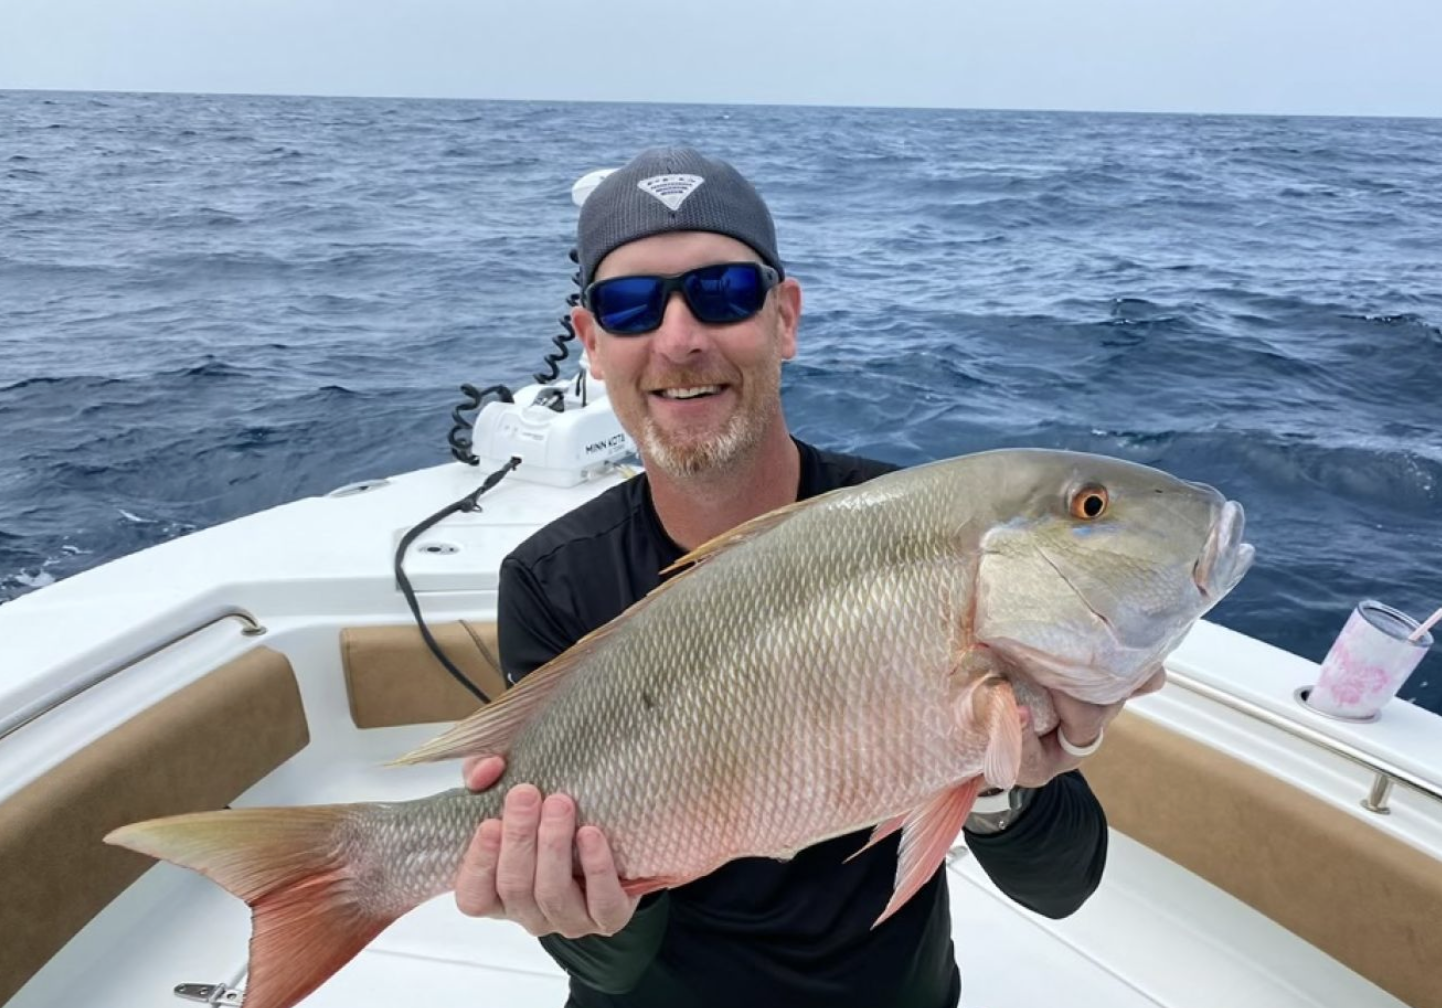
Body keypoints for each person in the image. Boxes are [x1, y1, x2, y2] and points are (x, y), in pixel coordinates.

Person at [454, 146, 1161, 1008]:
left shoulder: (917, 529)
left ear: (784, 318)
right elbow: (611, 968)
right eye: (632, 305)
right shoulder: (551, 579)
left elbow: (1061, 886)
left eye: (724, 293)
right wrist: (572, 906)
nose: (680, 338)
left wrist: (999, 779)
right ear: (593, 346)